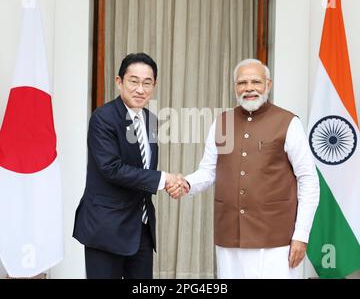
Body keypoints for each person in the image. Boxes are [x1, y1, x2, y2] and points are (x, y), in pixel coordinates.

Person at [167, 59, 320, 279]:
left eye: (255, 82)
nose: (249, 88)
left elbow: (308, 180)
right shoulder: (222, 123)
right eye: (242, 83)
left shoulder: (288, 123)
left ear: (268, 85)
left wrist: (301, 235)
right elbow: (208, 171)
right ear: (235, 87)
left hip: (276, 240)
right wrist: (186, 184)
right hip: (230, 236)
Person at [73, 53, 181, 279]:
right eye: (133, 81)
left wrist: (170, 183)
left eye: (147, 82)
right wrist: (163, 180)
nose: (140, 89)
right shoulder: (103, 118)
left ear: (154, 85)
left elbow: (144, 168)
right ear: (119, 81)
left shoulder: (150, 120)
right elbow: (112, 168)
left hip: (140, 228)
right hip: (106, 228)